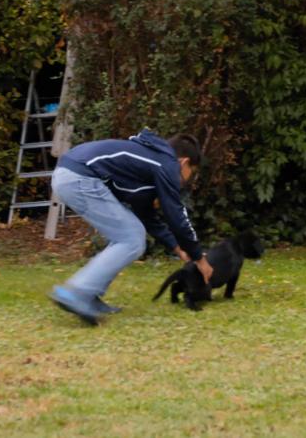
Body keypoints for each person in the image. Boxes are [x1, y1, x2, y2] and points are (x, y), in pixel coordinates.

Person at [48, 129, 213, 325]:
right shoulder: (167, 163)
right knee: (131, 238)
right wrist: (199, 257)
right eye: (190, 173)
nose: (187, 179)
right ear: (184, 162)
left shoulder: (151, 163)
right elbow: (176, 215)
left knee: (126, 236)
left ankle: (89, 294)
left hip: (70, 174)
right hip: (80, 177)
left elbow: (146, 215)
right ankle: (77, 292)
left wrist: (177, 247)